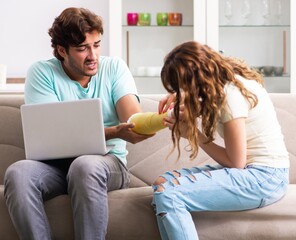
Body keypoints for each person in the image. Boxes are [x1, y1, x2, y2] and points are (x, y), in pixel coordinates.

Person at [4, 7, 153, 240]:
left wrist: (155, 121)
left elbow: (132, 119)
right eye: (83, 48)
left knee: (84, 166)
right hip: (56, 167)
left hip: (106, 163)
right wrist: (113, 131)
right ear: (62, 51)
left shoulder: (114, 68)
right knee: (18, 172)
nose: (93, 56)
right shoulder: (42, 73)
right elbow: (51, 133)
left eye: (96, 45)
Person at [152, 41, 290, 240]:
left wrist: (195, 135)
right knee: (162, 183)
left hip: (266, 177)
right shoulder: (227, 83)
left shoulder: (230, 96)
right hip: (255, 174)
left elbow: (236, 163)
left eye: (182, 86)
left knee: (168, 193)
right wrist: (180, 96)